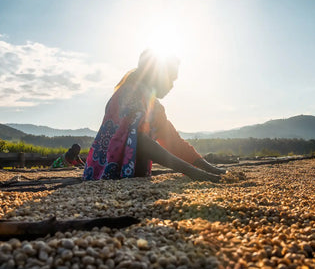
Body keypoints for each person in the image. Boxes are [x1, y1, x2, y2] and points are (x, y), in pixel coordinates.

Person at [83, 49, 225, 182]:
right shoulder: (128, 93)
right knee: (139, 140)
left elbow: (174, 142)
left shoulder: (154, 105)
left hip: (133, 174)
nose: (172, 86)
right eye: (171, 79)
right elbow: (138, 142)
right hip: (106, 173)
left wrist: (211, 169)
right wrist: (194, 172)